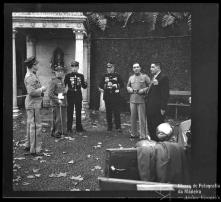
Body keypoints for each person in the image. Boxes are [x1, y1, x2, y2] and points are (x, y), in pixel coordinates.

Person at [23, 56, 47, 156]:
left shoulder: (32, 75)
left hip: (32, 104)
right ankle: (35, 149)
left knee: (30, 125)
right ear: (33, 66)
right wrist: (42, 89)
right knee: (36, 126)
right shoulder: (30, 77)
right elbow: (31, 92)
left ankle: (28, 145)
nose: (38, 65)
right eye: (36, 64)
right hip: (33, 104)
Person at [145, 62, 169, 141]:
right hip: (150, 107)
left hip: (157, 108)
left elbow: (165, 94)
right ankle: (153, 142)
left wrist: (163, 108)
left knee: (157, 127)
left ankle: (159, 144)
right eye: (151, 67)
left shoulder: (163, 77)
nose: (150, 69)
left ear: (158, 68)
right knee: (151, 126)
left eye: (153, 67)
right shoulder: (154, 77)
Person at [127, 62, 150, 140]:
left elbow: (150, 86)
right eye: (134, 67)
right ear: (133, 69)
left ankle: (143, 135)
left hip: (141, 100)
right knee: (132, 117)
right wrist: (130, 89)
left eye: (137, 67)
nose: (136, 69)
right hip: (132, 99)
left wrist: (143, 90)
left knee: (142, 118)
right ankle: (133, 133)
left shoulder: (145, 76)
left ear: (140, 68)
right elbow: (128, 86)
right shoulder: (131, 78)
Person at [99, 62, 124, 132]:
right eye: (108, 67)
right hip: (107, 96)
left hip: (115, 96)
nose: (108, 69)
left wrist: (116, 86)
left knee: (117, 111)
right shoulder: (104, 76)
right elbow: (100, 85)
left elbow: (122, 85)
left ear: (113, 67)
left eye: (110, 67)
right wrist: (104, 87)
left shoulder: (117, 75)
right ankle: (109, 126)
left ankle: (118, 126)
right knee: (108, 112)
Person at [64, 60, 87, 134]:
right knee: (69, 111)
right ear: (71, 67)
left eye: (76, 67)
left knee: (78, 111)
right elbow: (63, 86)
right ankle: (69, 128)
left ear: (78, 67)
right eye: (73, 66)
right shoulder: (67, 76)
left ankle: (79, 127)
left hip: (78, 94)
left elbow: (84, 86)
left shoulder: (81, 76)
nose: (74, 68)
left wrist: (86, 83)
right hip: (70, 94)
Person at [48, 65, 67, 138]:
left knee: (61, 118)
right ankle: (55, 132)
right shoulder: (53, 81)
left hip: (61, 102)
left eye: (61, 71)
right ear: (55, 72)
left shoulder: (61, 81)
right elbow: (50, 94)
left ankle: (60, 131)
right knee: (57, 119)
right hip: (56, 103)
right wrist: (57, 100)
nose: (60, 73)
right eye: (58, 71)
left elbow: (60, 92)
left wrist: (64, 92)